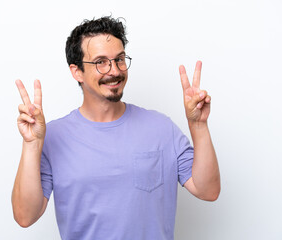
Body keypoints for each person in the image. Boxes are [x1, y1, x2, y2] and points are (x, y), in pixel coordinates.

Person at [12, 16, 220, 240]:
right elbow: (25, 216)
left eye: (119, 59)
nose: (114, 71)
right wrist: (32, 145)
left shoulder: (161, 128)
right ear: (77, 71)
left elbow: (208, 190)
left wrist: (198, 125)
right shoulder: (52, 137)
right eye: (101, 62)